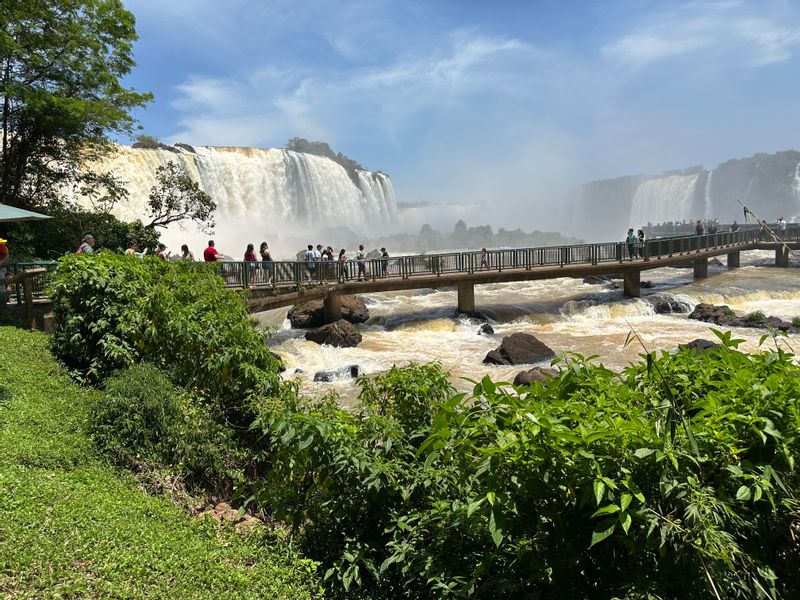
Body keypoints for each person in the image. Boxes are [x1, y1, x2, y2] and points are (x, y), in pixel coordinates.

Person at [0, 236, 8, 304]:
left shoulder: (2, 247)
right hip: (3, 267)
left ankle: (3, 301)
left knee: (2, 283)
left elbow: (6, 255)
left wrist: (1, 261)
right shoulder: (3, 247)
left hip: (1, 267)